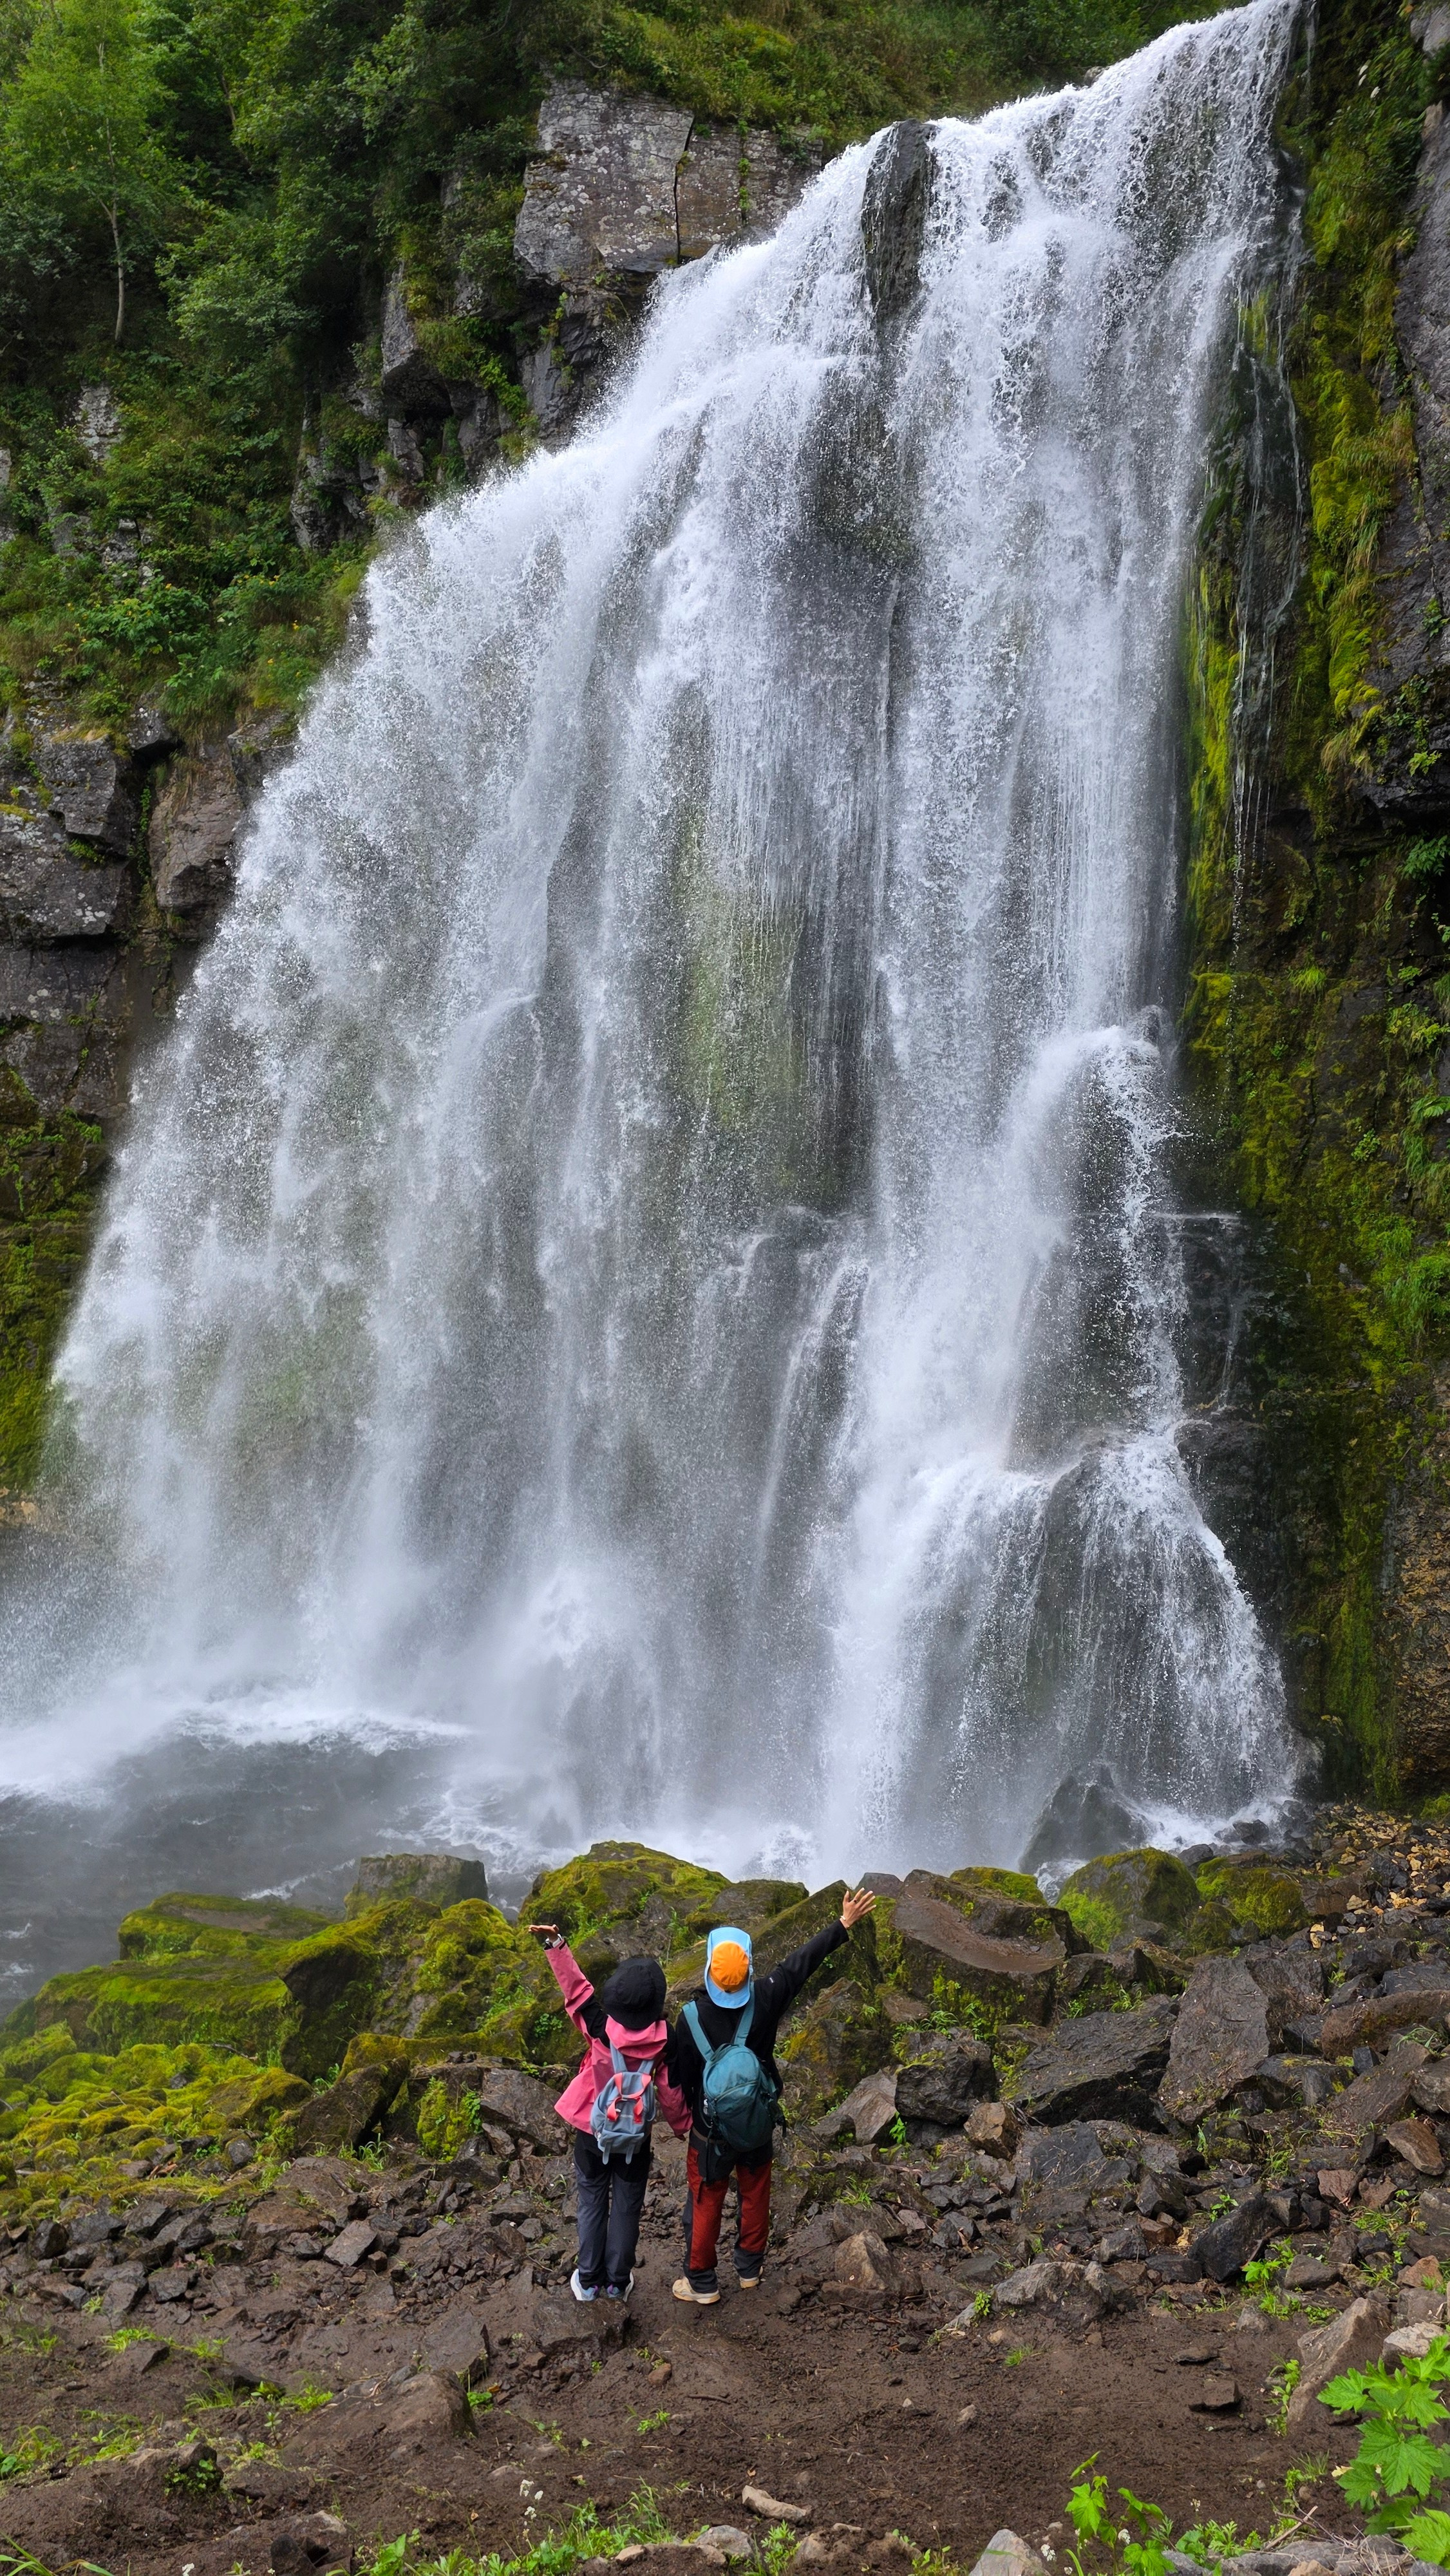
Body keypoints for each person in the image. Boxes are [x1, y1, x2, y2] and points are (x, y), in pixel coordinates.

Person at [666, 1886, 878, 2304]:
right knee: (755, 2190)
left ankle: (702, 2282)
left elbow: (680, 2077)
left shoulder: (689, 2018)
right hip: (757, 2120)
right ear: (746, 1974)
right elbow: (800, 1964)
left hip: (710, 2129)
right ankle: (749, 2268)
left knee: (706, 2199)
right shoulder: (765, 1996)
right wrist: (844, 1922)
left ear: (709, 1969)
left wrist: (686, 2119)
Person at [526, 1920, 690, 2302]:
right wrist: (684, 2127)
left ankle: (587, 2280)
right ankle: (617, 2282)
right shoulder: (666, 2042)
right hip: (635, 2140)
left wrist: (555, 1944)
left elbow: (577, 1993)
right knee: (628, 2207)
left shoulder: (600, 2029)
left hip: (593, 2132)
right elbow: (670, 2093)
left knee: (592, 2200)